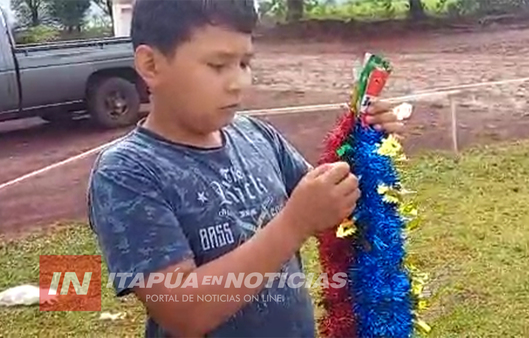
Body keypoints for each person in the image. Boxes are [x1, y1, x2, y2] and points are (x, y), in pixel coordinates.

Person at [87, 0, 406, 337]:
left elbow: (333, 208)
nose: (238, 82)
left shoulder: (256, 135)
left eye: (244, 63)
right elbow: (183, 313)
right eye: (218, 65)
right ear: (151, 65)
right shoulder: (127, 171)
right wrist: (294, 223)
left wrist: (366, 144)